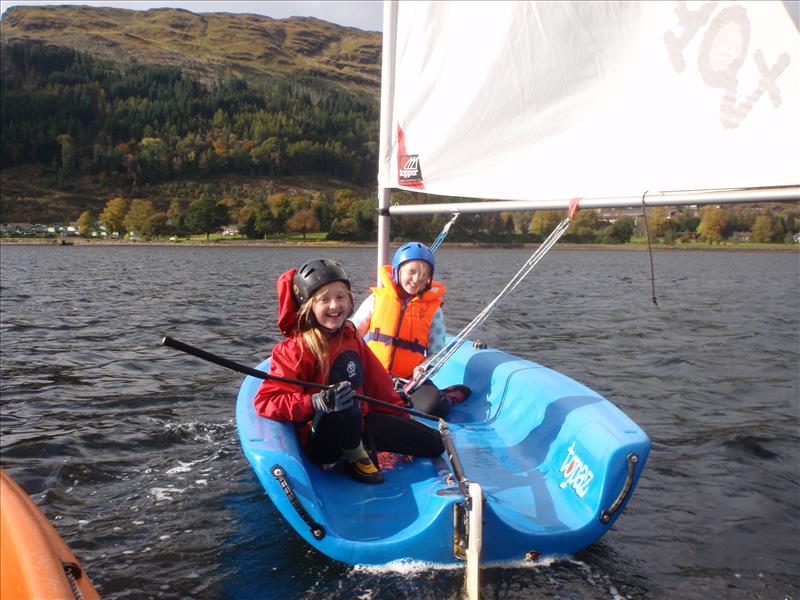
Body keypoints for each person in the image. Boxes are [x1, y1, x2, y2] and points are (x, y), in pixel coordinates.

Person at [253, 258, 445, 485]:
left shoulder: (351, 336)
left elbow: (379, 385)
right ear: (308, 307)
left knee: (434, 444)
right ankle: (354, 457)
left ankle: (360, 446)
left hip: (361, 424)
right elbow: (266, 401)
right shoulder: (294, 350)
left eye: (340, 297)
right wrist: (314, 402)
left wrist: (401, 420)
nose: (334, 305)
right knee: (343, 398)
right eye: (324, 299)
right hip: (323, 442)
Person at [351, 242, 470, 418]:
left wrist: (423, 368)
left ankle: (449, 397)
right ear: (398, 271)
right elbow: (353, 330)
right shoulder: (376, 299)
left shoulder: (434, 310)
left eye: (423, 275)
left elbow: (437, 352)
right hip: (373, 374)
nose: (416, 280)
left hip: (409, 379)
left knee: (434, 408)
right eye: (411, 272)